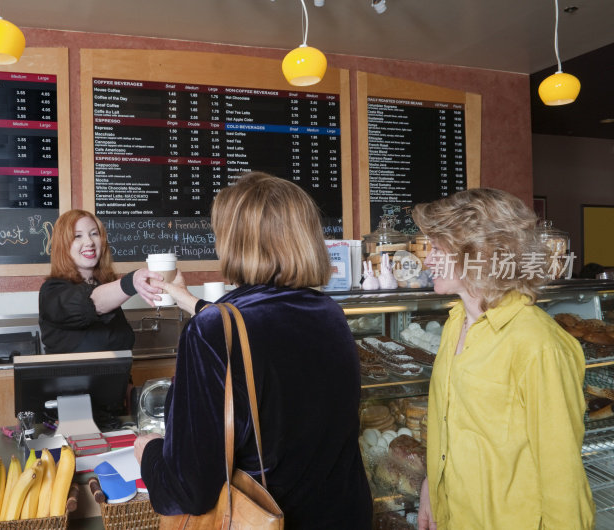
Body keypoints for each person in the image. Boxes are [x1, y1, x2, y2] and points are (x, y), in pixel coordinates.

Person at [134, 172, 373, 529]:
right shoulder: (329, 314)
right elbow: (263, 332)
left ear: (234, 242)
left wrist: (149, 452)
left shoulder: (211, 333)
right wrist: (190, 302)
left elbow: (189, 490)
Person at [413, 188, 595, 529]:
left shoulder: (538, 345)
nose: (427, 261)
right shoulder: (455, 324)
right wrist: (431, 486)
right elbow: (451, 428)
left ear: (480, 253)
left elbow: (562, 474)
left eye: (437, 249)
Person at [38, 209, 162, 353]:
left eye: (94, 234)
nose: (89, 242)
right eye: (77, 236)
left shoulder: (102, 286)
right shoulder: (52, 291)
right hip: (73, 376)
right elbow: (89, 303)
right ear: (63, 246)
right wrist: (131, 282)